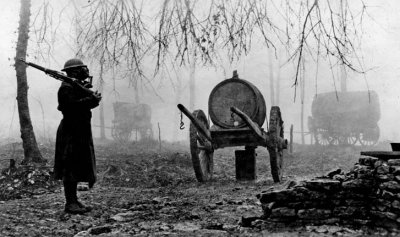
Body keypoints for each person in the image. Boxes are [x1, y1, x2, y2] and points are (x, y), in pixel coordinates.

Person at [54, 58, 102, 214]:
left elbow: (87, 104)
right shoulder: (66, 88)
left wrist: (93, 100)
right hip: (70, 132)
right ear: (75, 71)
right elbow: (69, 108)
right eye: (82, 69)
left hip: (79, 131)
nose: (85, 72)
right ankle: (70, 203)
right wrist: (90, 99)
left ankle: (74, 200)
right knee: (70, 166)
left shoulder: (77, 86)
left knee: (78, 164)